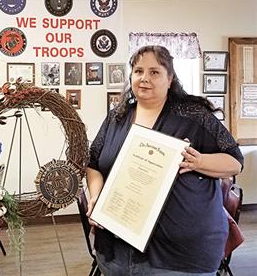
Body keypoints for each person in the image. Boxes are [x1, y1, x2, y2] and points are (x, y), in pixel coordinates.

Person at [86, 45, 243, 276]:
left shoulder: (194, 116)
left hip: (180, 257)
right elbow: (94, 164)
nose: (144, 78)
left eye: (154, 72)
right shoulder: (116, 117)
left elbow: (235, 162)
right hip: (116, 251)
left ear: (170, 79)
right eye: (138, 71)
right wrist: (96, 197)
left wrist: (199, 162)